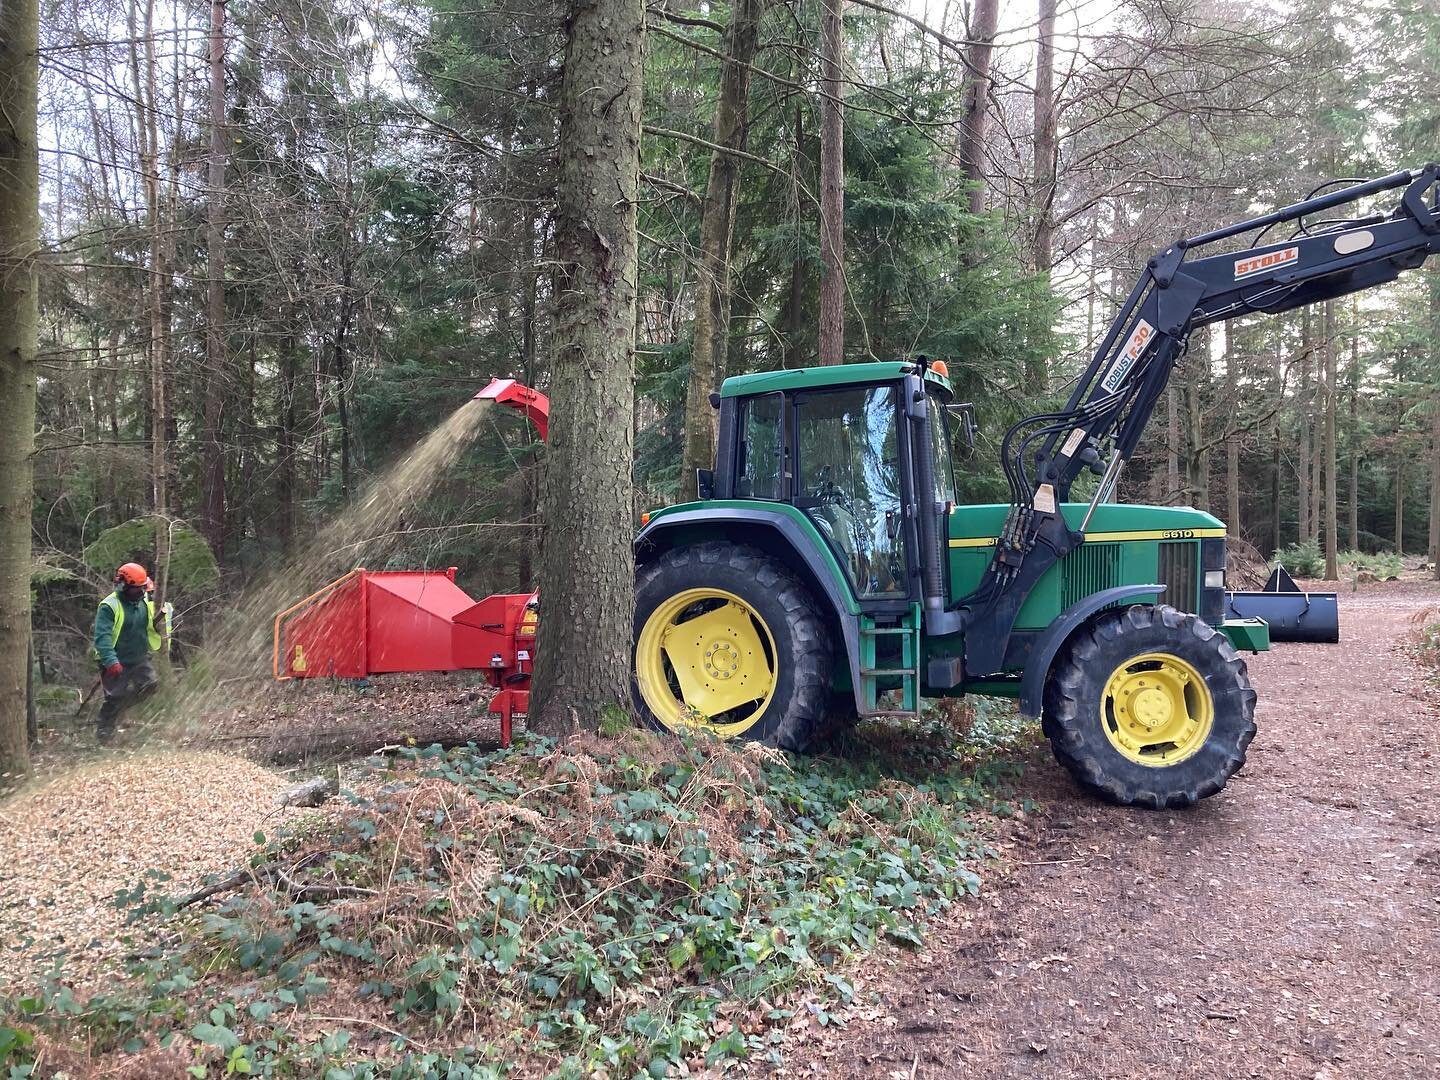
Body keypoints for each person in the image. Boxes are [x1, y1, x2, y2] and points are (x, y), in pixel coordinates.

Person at [92, 562, 163, 744]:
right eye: (136, 589)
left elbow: (147, 624)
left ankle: (121, 707)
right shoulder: (109, 606)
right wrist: (110, 661)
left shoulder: (144, 600)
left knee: (150, 685)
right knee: (115, 697)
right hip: (116, 660)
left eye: (142, 588)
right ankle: (104, 736)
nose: (140, 592)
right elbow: (102, 637)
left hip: (139, 656)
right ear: (123, 585)